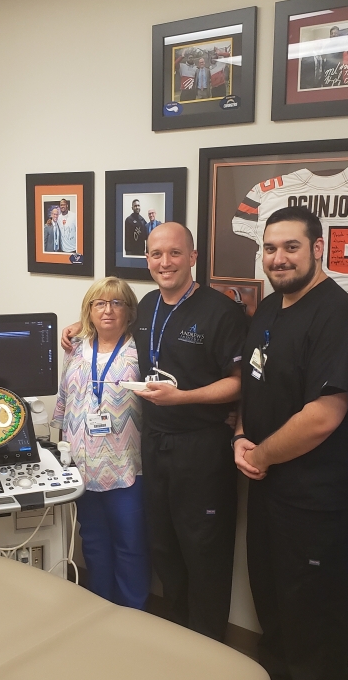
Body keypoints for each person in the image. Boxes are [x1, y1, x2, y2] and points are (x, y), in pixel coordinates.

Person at [62, 222, 247, 641]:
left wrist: (184, 398)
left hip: (201, 448)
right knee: (164, 548)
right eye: (156, 254)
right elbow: (108, 325)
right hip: (154, 447)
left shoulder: (220, 311)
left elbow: (240, 382)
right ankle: (173, 640)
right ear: (147, 259)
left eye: (175, 253)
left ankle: (206, 649)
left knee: (203, 553)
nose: (165, 262)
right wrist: (76, 329)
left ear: (193, 257)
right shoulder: (146, 307)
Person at [233, 207, 348, 680]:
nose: (278, 258)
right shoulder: (269, 310)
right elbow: (253, 383)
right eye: (270, 248)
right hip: (269, 488)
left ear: (318, 249)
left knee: (315, 615)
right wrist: (244, 436)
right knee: (272, 597)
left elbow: (323, 416)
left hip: (320, 500)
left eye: (291, 247)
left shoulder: (342, 317)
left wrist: (260, 455)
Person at [52, 277, 150, 609]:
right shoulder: (77, 348)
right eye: (100, 303)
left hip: (127, 466)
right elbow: (65, 398)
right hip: (83, 465)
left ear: (129, 311)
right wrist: (58, 442)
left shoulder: (140, 350)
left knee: (130, 544)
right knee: (93, 543)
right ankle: (100, 611)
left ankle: (131, 615)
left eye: (116, 303)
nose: (108, 310)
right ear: (89, 310)